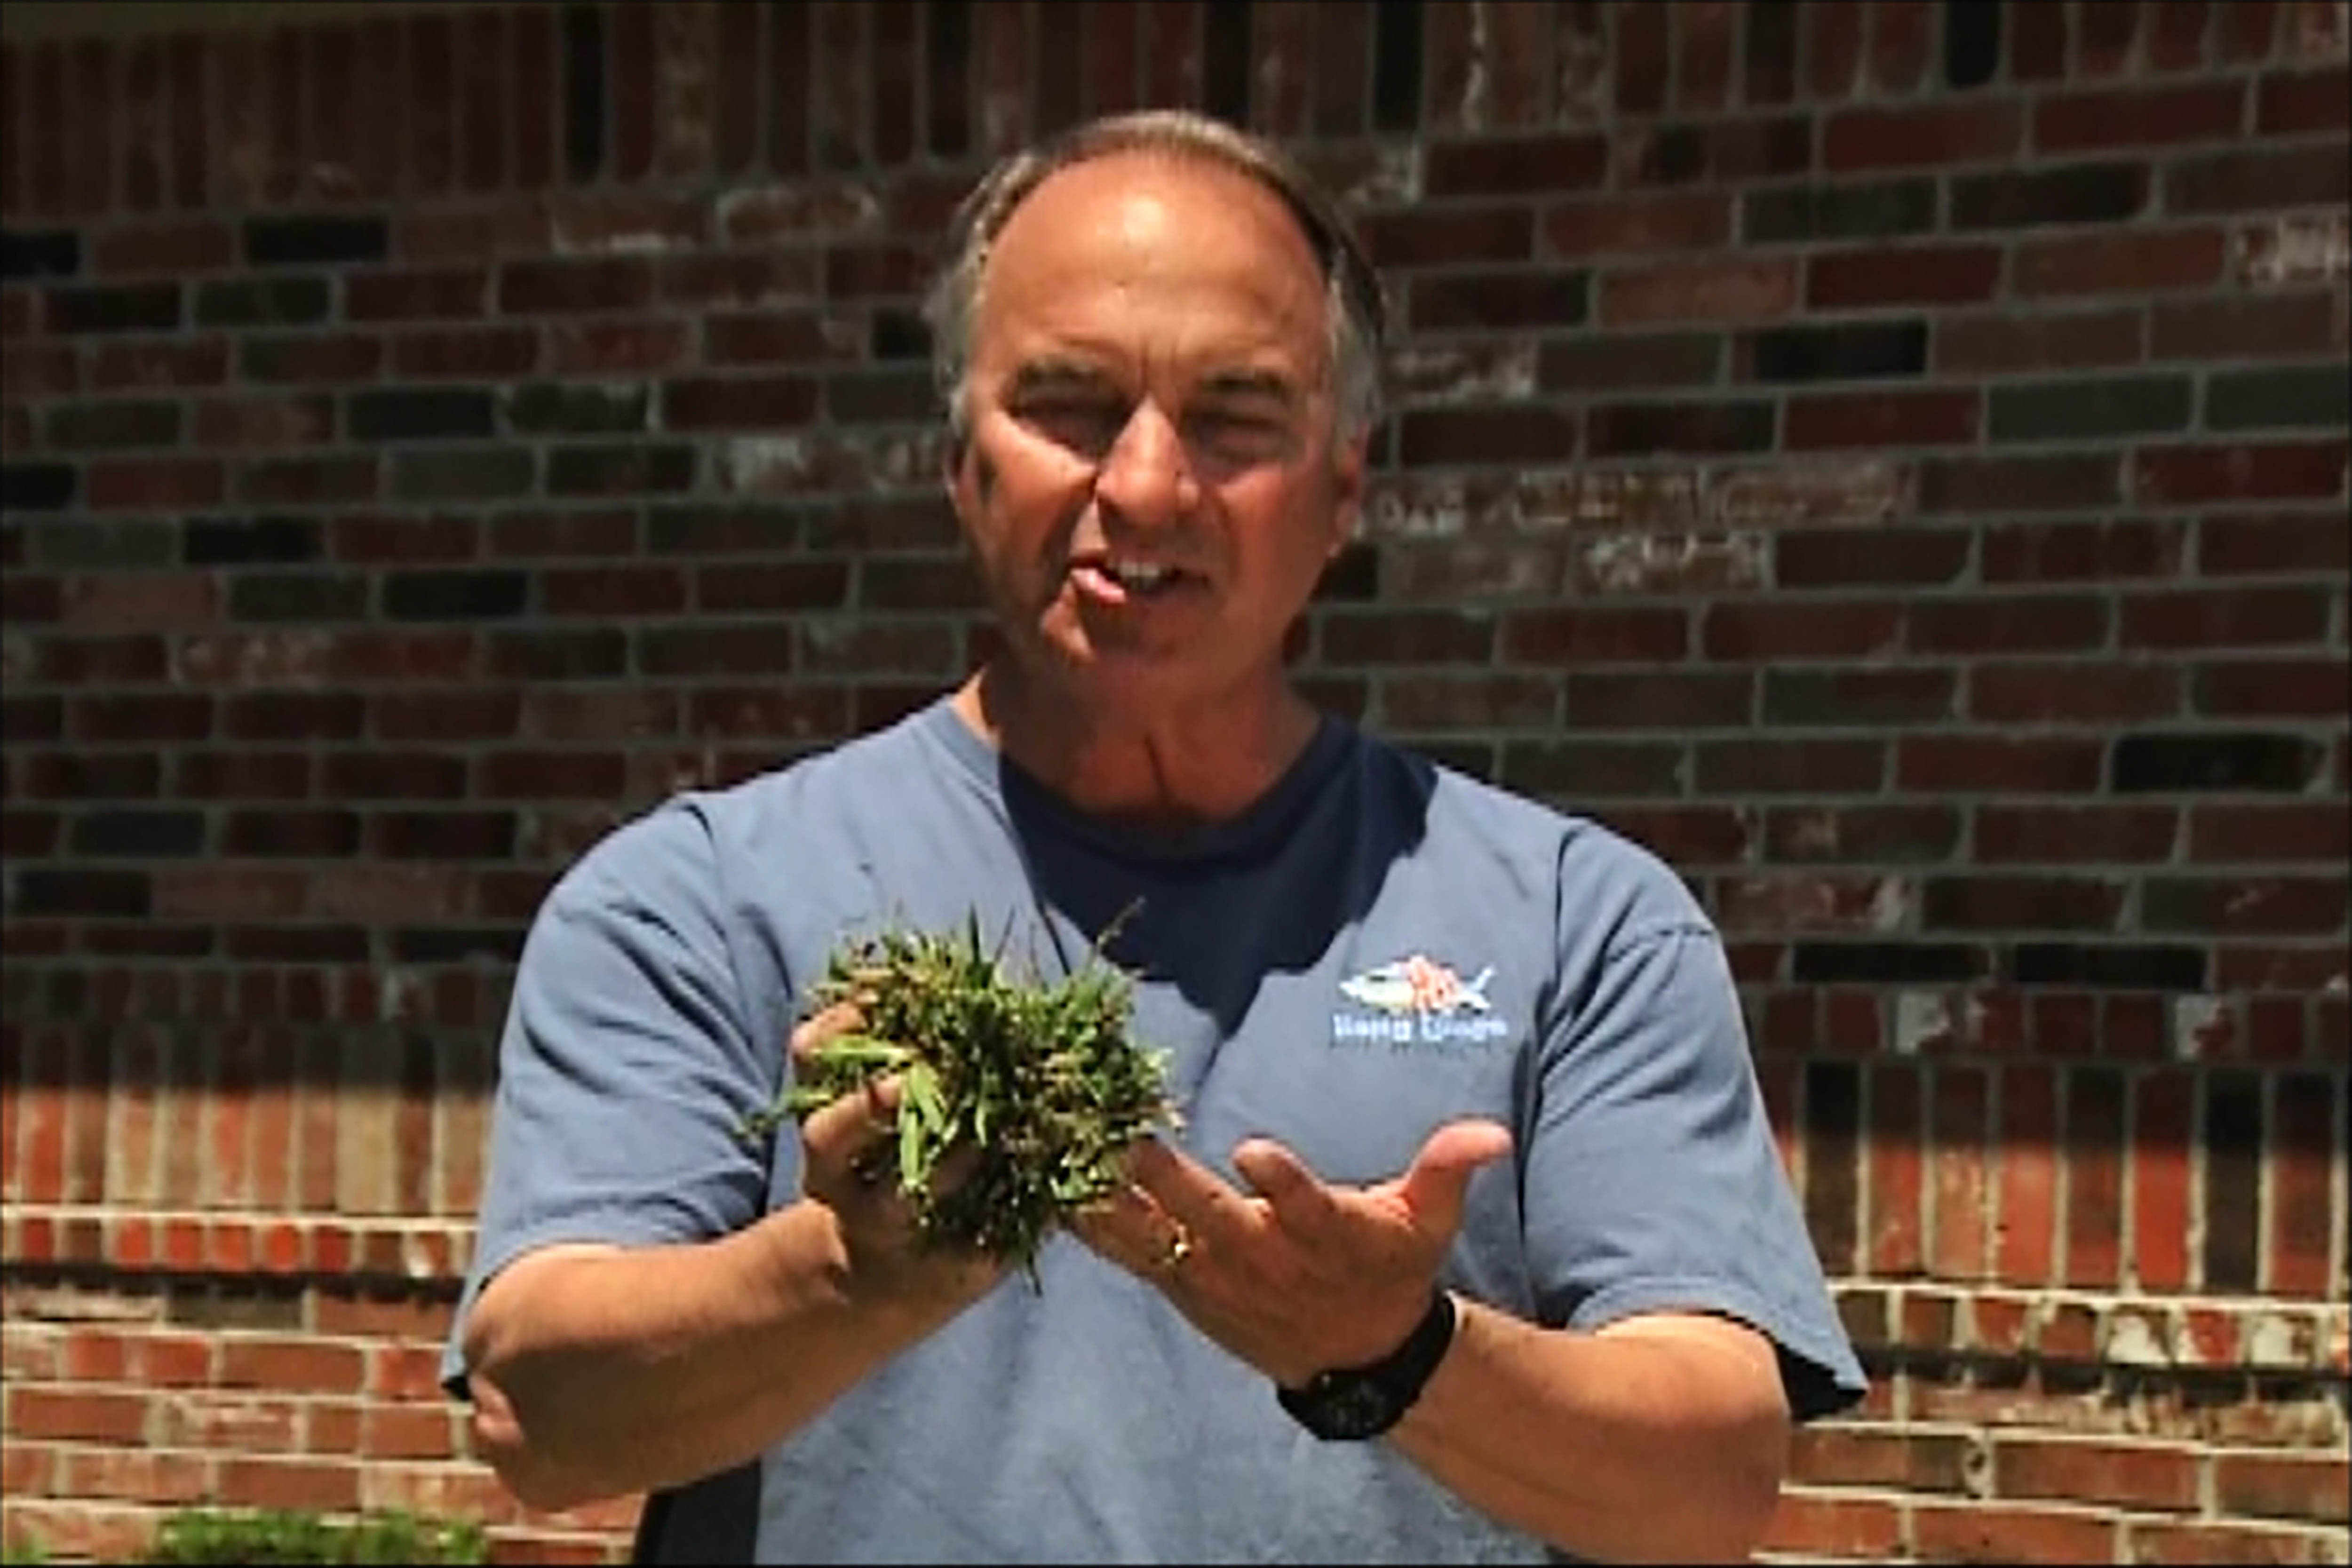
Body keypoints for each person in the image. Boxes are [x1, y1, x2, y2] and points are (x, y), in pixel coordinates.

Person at [441, 109, 1867, 1565]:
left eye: (1236, 416)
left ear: (1345, 488)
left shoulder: (1577, 922)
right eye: (1067, 404)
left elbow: (1714, 1479)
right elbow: (537, 1412)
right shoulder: (700, 901)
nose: (1143, 486)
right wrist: (852, 1276)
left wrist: (1395, 1355)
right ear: (962, 465)